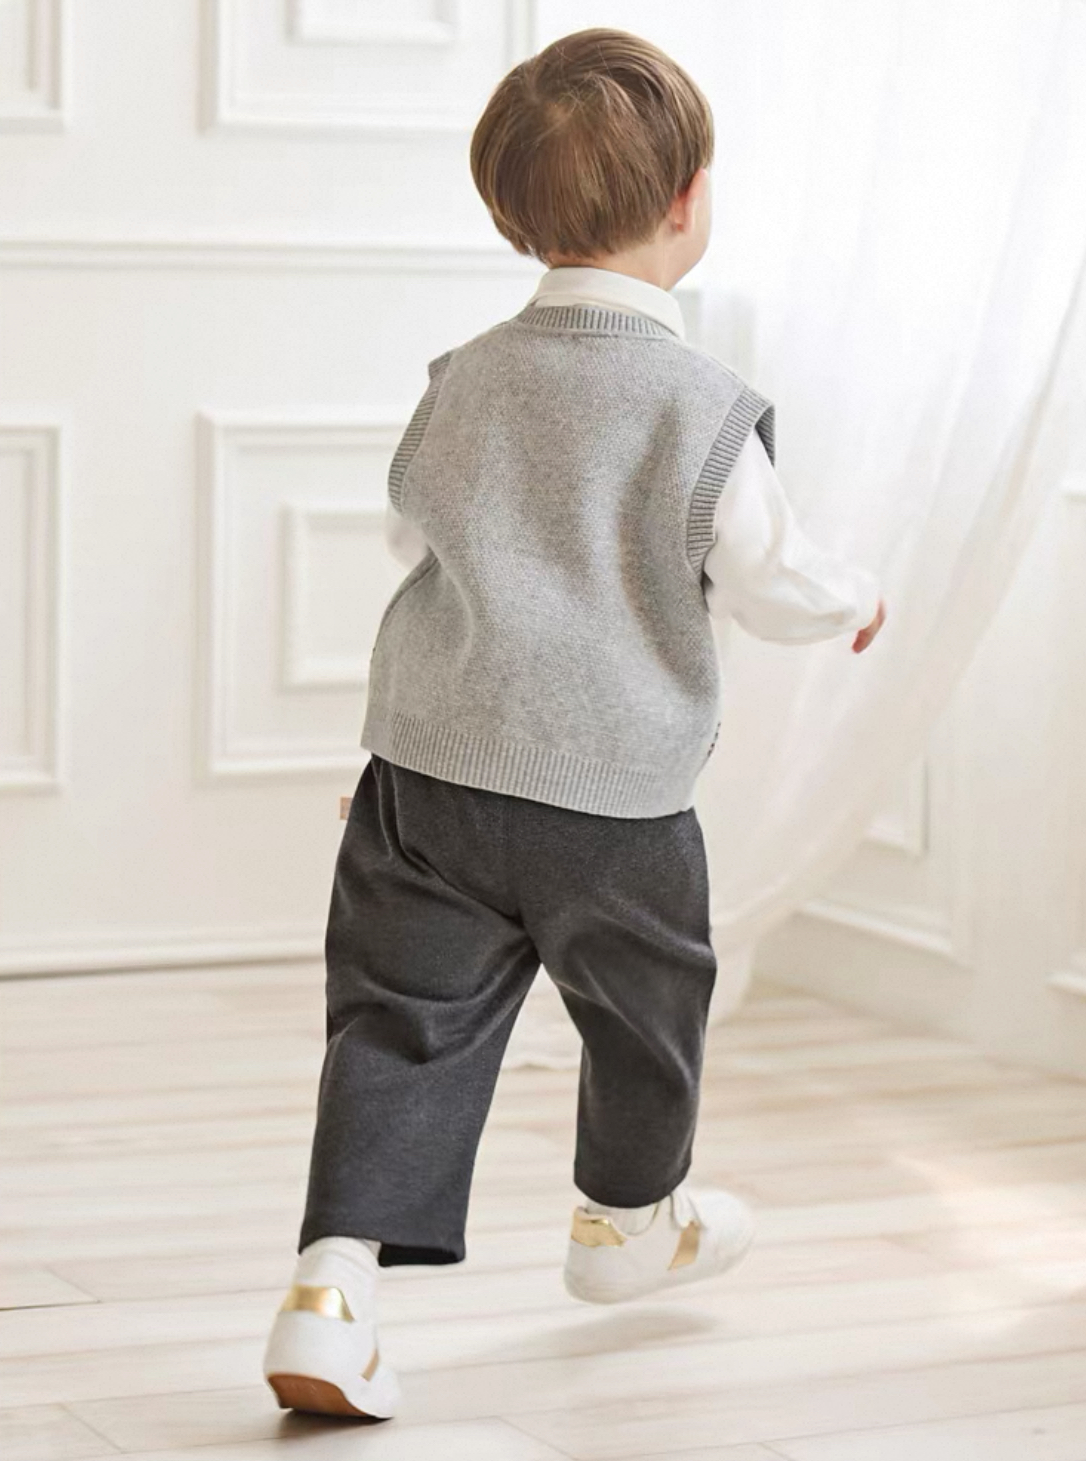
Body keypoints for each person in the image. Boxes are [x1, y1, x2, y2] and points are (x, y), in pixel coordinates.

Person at [262, 28, 885, 1421]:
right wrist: (853, 600)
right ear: (689, 200)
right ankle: (626, 1219)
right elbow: (767, 576)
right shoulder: (702, 406)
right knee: (647, 1013)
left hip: (425, 778)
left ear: (509, 211)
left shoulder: (463, 375)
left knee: (397, 1025)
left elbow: (414, 533)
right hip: (612, 803)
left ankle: (330, 1289)